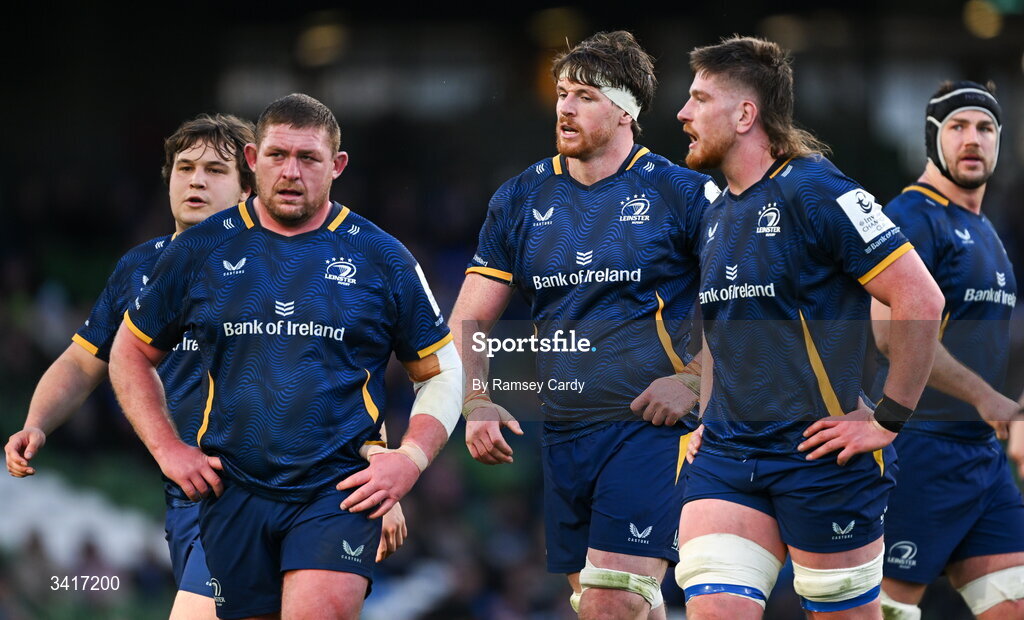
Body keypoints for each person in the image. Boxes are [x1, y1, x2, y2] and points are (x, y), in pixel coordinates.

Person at [108, 93, 460, 620]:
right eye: (277, 156)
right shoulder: (199, 251)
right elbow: (129, 353)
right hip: (232, 491)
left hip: (336, 491)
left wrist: (408, 461)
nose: (290, 172)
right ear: (252, 160)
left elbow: (442, 370)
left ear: (336, 166)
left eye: (309, 158)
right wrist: (167, 449)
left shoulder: (381, 257)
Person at [673, 36, 944, 619]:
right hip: (726, 455)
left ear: (746, 114)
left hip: (821, 459)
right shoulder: (714, 212)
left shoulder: (815, 190)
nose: (683, 114)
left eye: (698, 99)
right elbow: (724, 331)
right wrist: (708, 409)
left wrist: (889, 419)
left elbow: (920, 297)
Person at [450, 31, 716, 620]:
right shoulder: (520, 197)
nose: (565, 107)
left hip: (649, 427)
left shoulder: (684, 192)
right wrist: (476, 398)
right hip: (564, 434)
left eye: (586, 95)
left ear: (627, 113)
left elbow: (744, 302)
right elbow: (470, 314)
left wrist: (696, 380)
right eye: (562, 93)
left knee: (611, 601)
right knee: (603, 604)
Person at [5, 113, 255, 619]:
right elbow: (81, 361)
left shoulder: (281, 265)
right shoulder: (139, 267)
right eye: (184, 168)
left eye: (214, 169)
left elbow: (335, 371)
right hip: (186, 494)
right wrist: (36, 424)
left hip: (258, 488)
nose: (196, 180)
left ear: (248, 188)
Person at [870, 81, 1024, 620]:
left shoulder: (987, 230)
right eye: (958, 126)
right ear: (933, 136)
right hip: (917, 452)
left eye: (985, 128)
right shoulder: (912, 217)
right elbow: (891, 337)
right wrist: (992, 401)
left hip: (982, 461)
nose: (973, 139)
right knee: (888, 611)